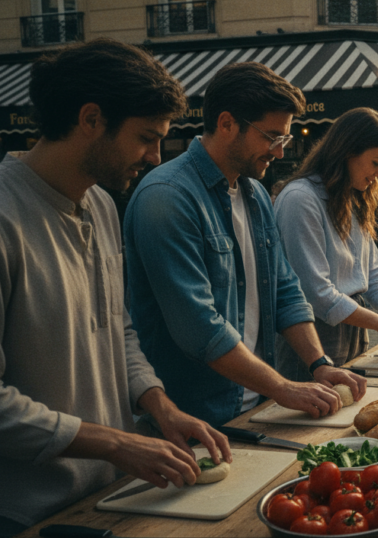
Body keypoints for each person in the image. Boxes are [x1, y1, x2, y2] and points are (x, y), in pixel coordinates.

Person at [0, 39, 231, 535]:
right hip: (27, 515)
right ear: (90, 119)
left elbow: (117, 329)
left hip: (109, 496)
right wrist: (117, 443)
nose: (154, 157)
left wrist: (158, 404)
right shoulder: (6, 216)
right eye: (146, 137)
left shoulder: (103, 205)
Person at [124, 62, 366, 428]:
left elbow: (286, 290)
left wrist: (319, 364)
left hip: (257, 408)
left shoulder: (255, 193)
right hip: (192, 421)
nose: (280, 152)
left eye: (283, 139)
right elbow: (200, 329)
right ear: (226, 124)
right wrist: (284, 386)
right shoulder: (167, 197)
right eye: (271, 137)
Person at [273, 108, 378, 380]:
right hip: (313, 331)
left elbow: (374, 271)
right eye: (376, 163)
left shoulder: (353, 196)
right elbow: (316, 293)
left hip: (354, 324)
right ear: (346, 153)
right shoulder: (300, 199)